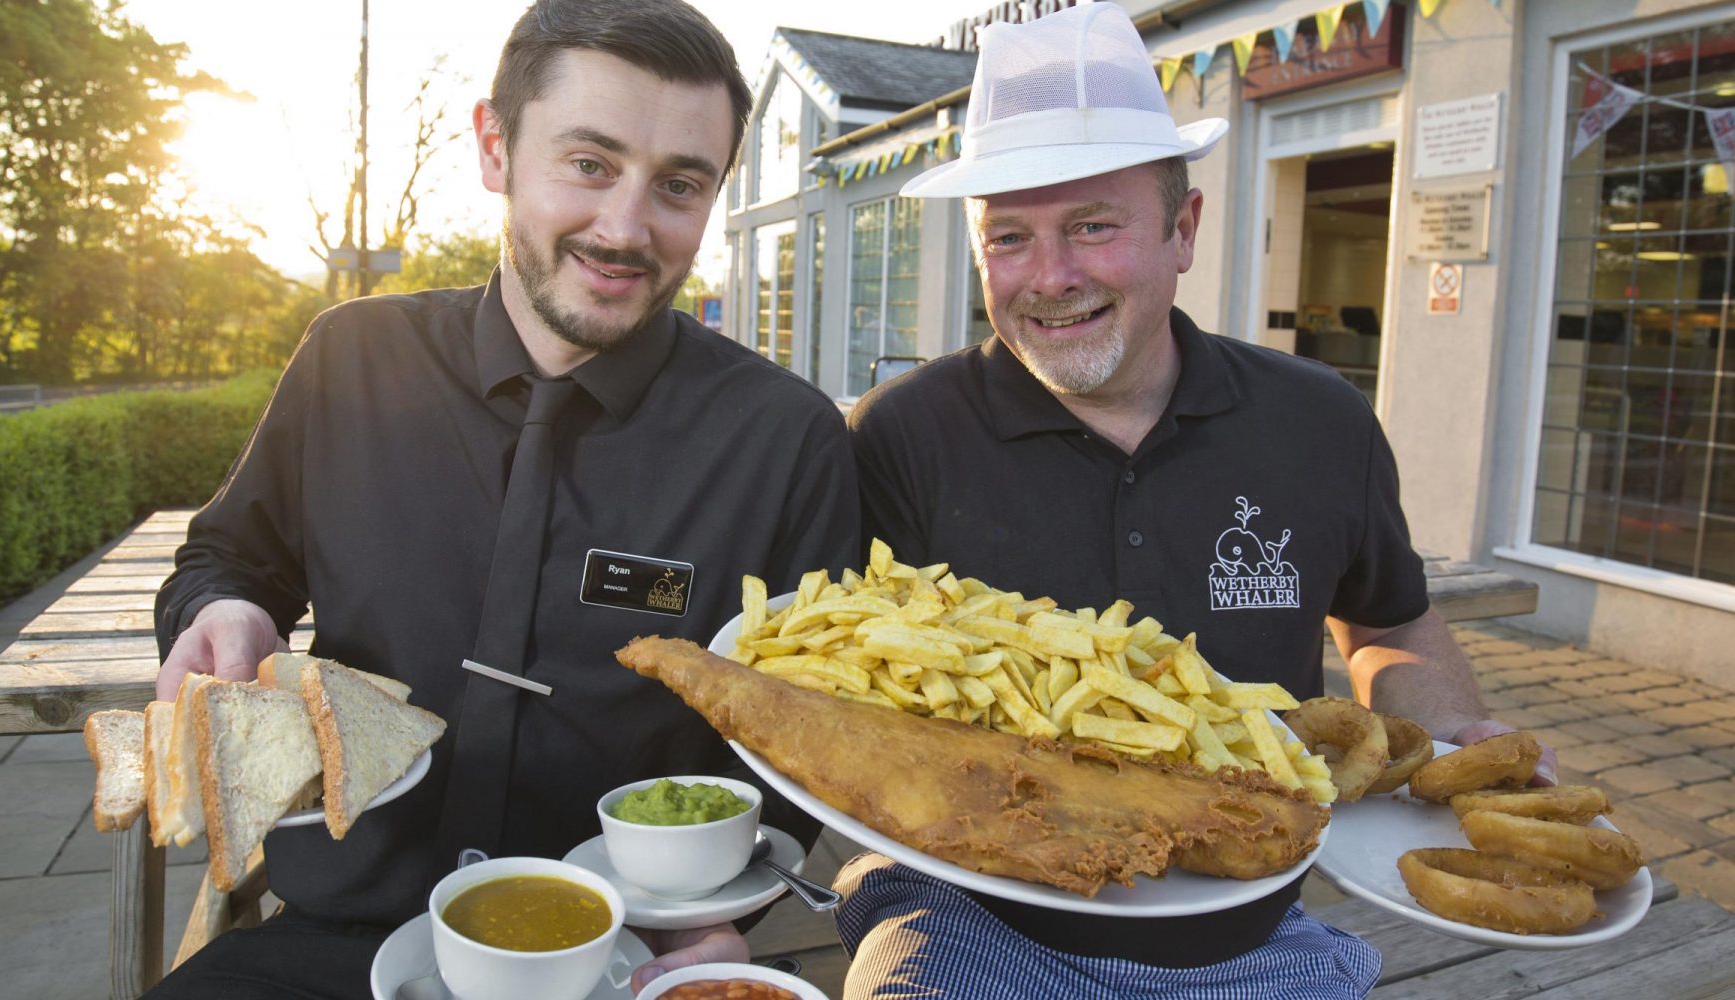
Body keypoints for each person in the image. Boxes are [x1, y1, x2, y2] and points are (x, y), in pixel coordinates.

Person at [149, 1, 861, 995]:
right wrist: (223, 610)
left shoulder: (785, 438)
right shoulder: (351, 358)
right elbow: (229, 562)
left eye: (679, 185)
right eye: (589, 163)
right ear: (496, 146)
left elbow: (812, 735)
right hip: (338, 935)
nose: (625, 227)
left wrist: (721, 914)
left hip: (623, 952)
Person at [841, 4, 1553, 997]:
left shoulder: (1321, 421)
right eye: (1009, 237)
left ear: (1184, 229)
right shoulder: (898, 435)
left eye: (1093, 225)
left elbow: (1389, 624)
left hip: (1251, 928)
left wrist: (1453, 741)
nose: (1049, 278)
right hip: (967, 913)